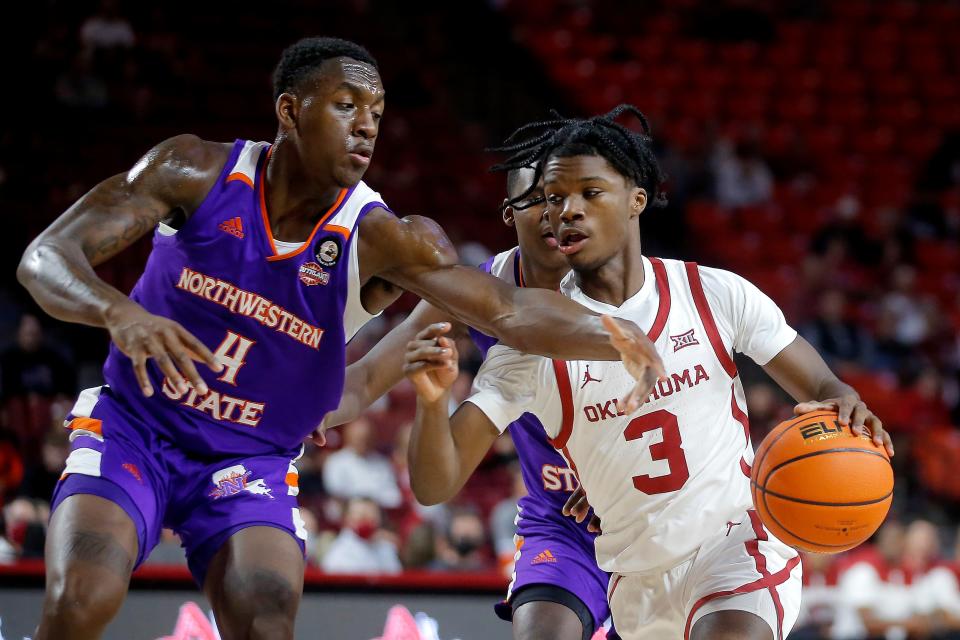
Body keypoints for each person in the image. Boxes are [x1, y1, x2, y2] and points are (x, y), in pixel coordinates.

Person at [16, 36, 662, 639]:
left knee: (265, 618)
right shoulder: (195, 171)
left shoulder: (381, 236)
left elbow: (505, 311)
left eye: (378, 111)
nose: (367, 125)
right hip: (138, 426)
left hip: (248, 460)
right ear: (290, 111)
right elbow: (46, 257)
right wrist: (117, 312)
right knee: (82, 598)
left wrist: (613, 333)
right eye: (347, 105)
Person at [403, 105, 893, 640]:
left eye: (590, 193)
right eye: (554, 198)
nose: (568, 211)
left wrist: (845, 399)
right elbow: (436, 482)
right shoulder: (533, 347)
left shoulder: (712, 293)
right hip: (633, 578)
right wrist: (432, 403)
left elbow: (821, 386)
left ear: (637, 199)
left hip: (734, 549)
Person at [324, 164, 631, 640]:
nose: (555, 213)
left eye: (566, 199)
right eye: (539, 199)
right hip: (559, 521)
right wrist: (287, 412)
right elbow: (362, 382)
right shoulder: (474, 292)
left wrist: (621, 477)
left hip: (649, 506)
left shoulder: (624, 284)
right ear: (509, 214)